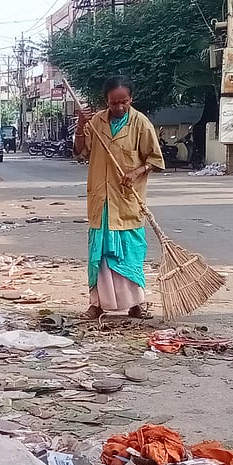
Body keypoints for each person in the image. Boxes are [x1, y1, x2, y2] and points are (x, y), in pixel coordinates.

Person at [73, 76, 165, 320]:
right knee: (99, 252)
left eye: (123, 102)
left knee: (130, 251)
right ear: (107, 101)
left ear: (131, 99)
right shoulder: (95, 122)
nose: (119, 107)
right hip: (100, 201)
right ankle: (97, 303)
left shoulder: (141, 124)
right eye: (114, 103)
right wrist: (80, 127)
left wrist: (136, 172)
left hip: (126, 201)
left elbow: (155, 159)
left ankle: (136, 303)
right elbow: (81, 152)